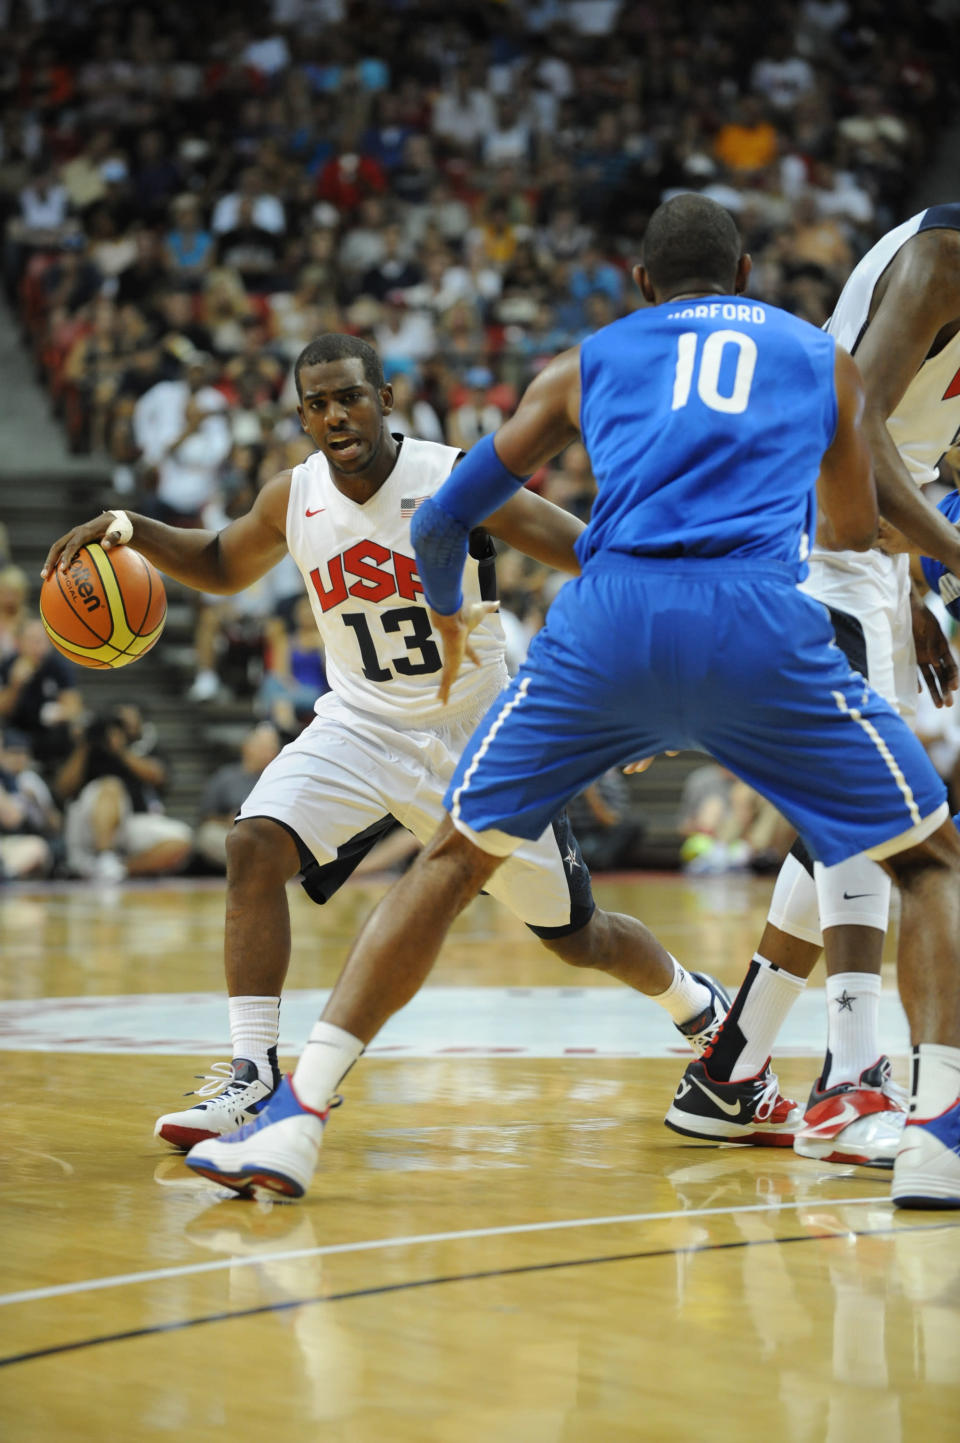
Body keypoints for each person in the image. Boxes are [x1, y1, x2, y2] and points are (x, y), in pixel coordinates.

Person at [176, 196, 960, 1211]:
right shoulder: (820, 362)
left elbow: (451, 512)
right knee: (926, 860)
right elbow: (850, 530)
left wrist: (455, 610)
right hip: (757, 622)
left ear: (639, 282)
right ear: (749, 271)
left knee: (453, 860)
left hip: (608, 626)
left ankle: (295, 1118)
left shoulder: (586, 360)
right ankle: (937, 1129)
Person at [44, 333, 729, 1149]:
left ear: (386, 399)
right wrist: (133, 527)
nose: (336, 415)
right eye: (318, 403)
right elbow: (224, 564)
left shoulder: (457, 477)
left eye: (350, 396)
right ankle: (251, 1074)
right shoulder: (291, 497)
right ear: (302, 415)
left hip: (480, 737)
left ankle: (698, 1006)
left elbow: (590, 554)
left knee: (579, 937)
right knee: (254, 844)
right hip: (361, 725)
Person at [686, 203, 960, 1171]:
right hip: (810, 530)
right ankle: (850, 1081)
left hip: (865, 548)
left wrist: (915, 584)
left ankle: (730, 1069)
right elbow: (857, 423)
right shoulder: (943, 258)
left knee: (844, 818)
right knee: (867, 805)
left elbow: (917, 449)